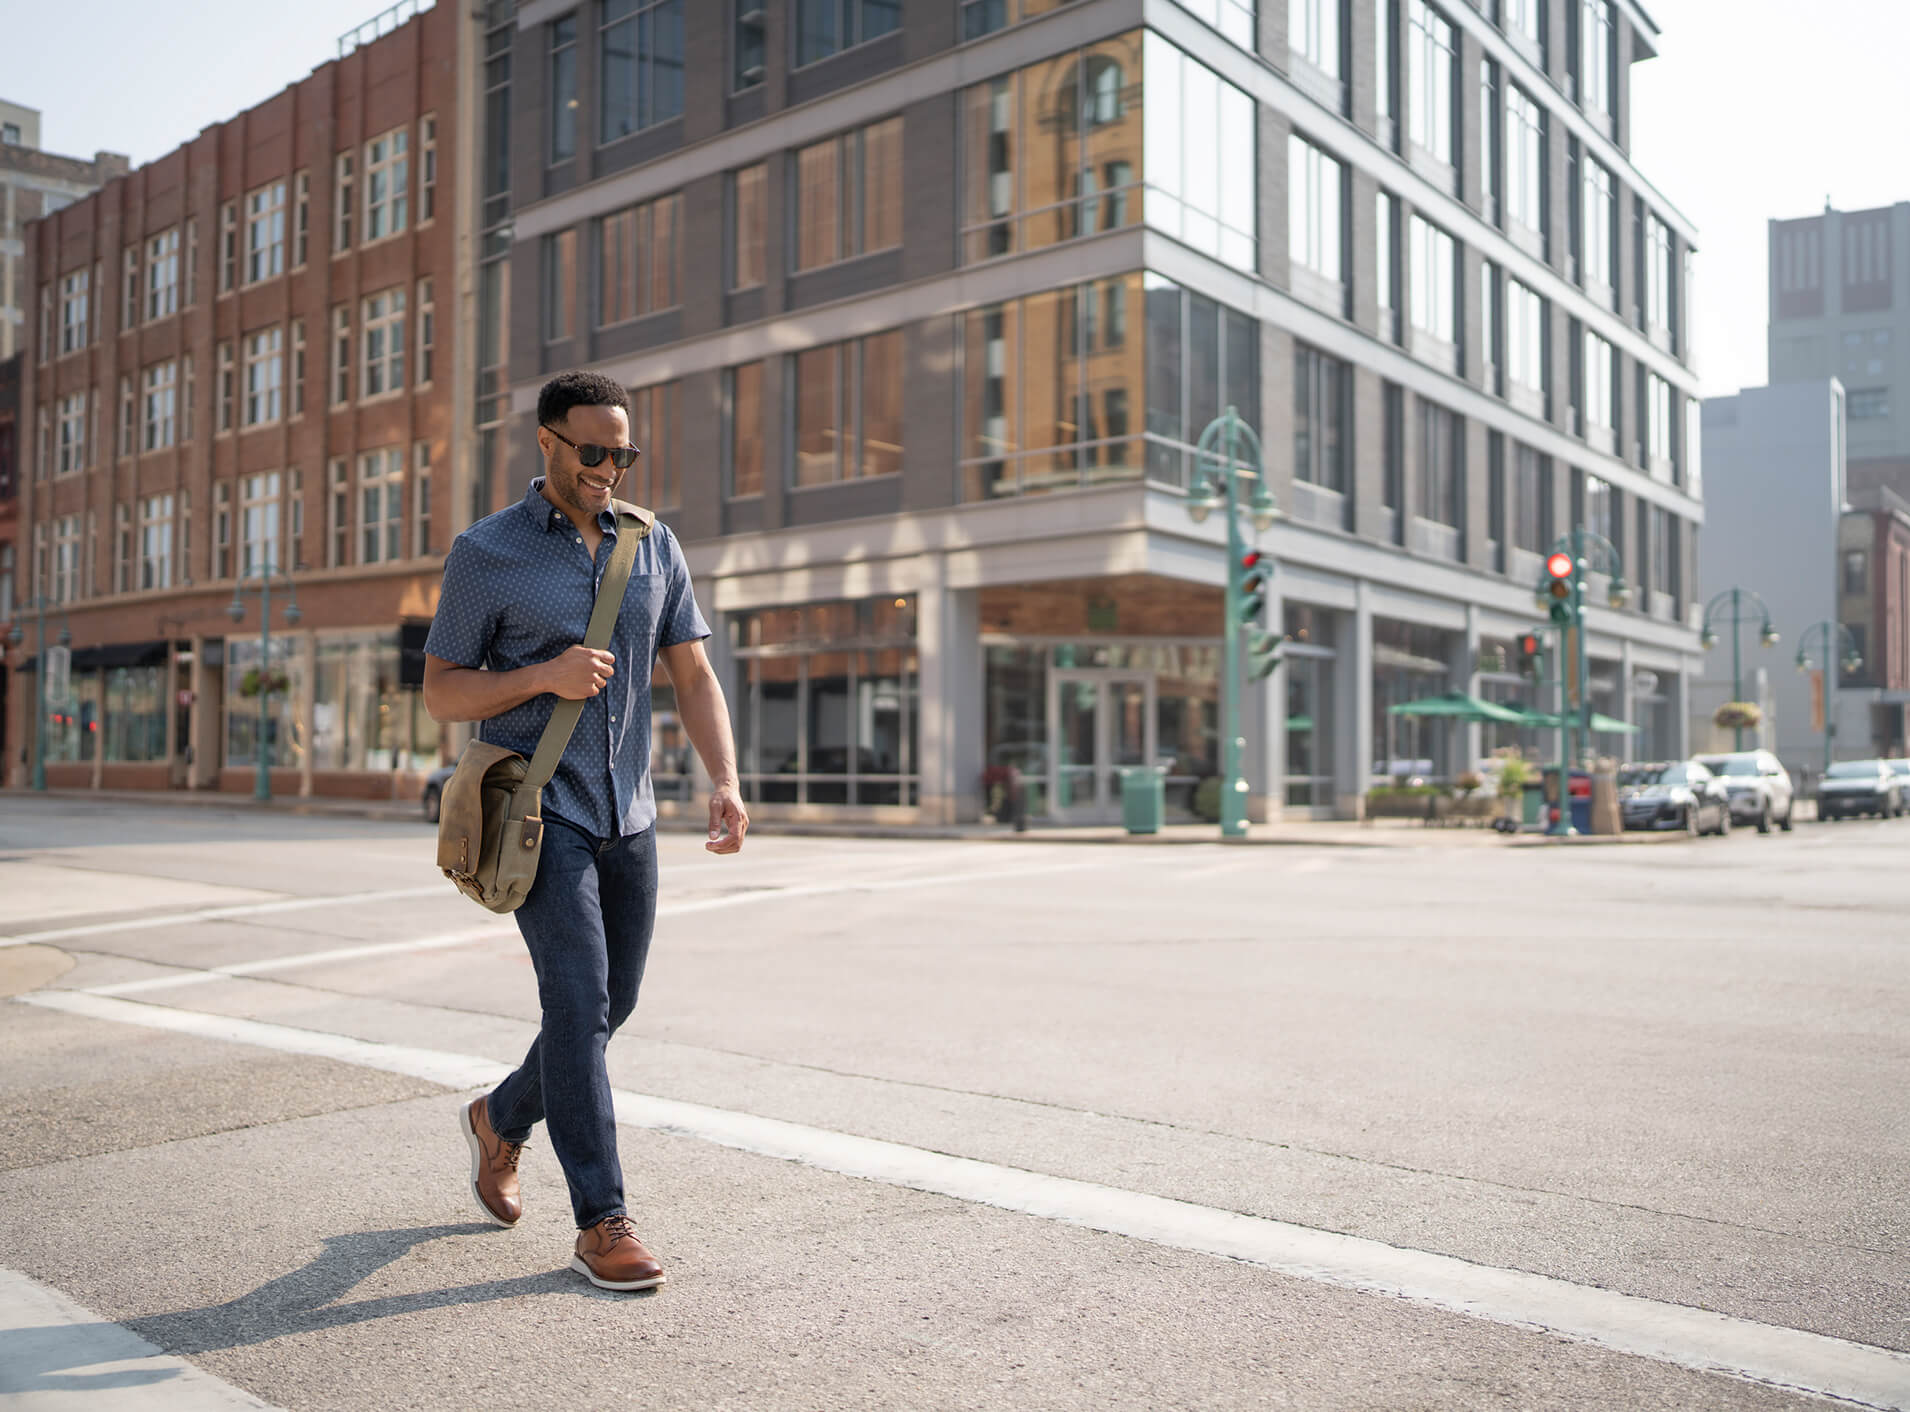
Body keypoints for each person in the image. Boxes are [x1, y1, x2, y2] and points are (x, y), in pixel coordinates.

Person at [421, 370, 748, 1292]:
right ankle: (603, 1221)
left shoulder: (653, 544)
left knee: (615, 1004)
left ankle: (499, 1118)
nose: (609, 467)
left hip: (628, 813)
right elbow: (444, 689)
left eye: (623, 452)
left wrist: (723, 780)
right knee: (577, 1004)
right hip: (539, 809)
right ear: (548, 442)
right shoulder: (486, 553)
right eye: (593, 450)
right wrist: (543, 675)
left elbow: (691, 674)